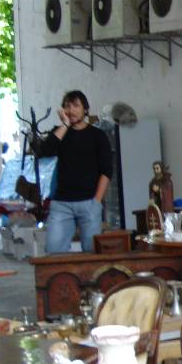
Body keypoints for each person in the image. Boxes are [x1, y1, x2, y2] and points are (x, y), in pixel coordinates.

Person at [39, 90, 113, 253]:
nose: (71, 110)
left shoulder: (98, 136)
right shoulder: (59, 132)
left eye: (75, 106)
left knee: (91, 251)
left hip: (89, 202)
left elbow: (106, 170)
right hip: (61, 203)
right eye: (67, 106)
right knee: (54, 250)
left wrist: (97, 201)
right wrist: (65, 125)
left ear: (85, 109)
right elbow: (45, 151)